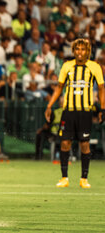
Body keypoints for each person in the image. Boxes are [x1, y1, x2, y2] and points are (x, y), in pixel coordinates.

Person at [45, 38, 105, 188]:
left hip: (85, 112)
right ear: (73, 51)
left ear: (88, 51)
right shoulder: (67, 66)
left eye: (83, 49)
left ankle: (84, 179)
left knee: (85, 144)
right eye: (77, 49)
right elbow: (59, 87)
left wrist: (103, 108)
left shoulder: (94, 67)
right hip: (69, 111)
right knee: (65, 142)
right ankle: (64, 178)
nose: (80, 52)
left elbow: (102, 89)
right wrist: (49, 105)